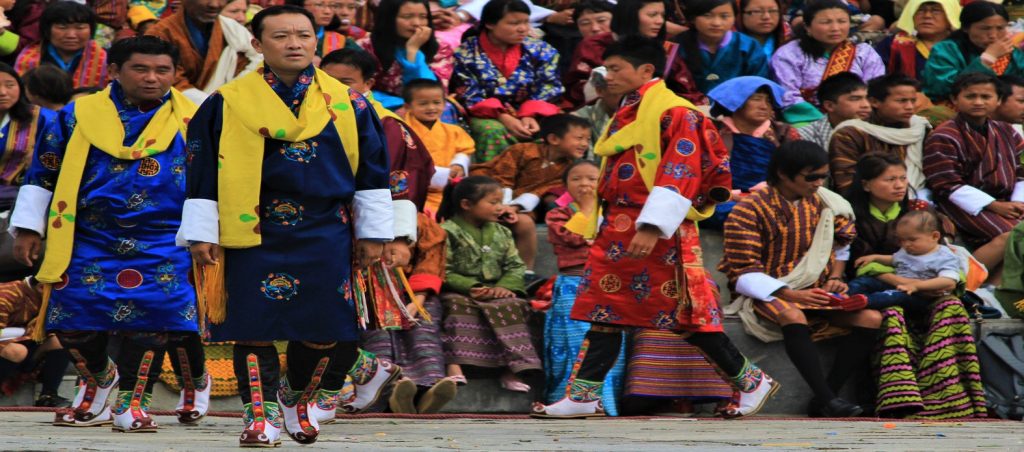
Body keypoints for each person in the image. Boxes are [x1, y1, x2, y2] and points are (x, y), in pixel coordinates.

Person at [532, 36, 779, 420]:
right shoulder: (630, 109)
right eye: (606, 69)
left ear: (646, 71)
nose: (607, 76)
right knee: (606, 309)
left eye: (616, 69)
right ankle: (583, 396)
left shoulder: (676, 112)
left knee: (683, 314)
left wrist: (652, 226)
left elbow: (681, 169)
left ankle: (751, 381)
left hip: (655, 229)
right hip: (619, 225)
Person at [182, 6, 393, 446]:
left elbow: (373, 171)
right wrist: (202, 231)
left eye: (303, 35)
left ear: (317, 42)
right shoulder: (225, 102)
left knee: (324, 330)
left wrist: (374, 234)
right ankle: (258, 417)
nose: (294, 43)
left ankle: (298, 399)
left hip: (326, 228)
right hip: (251, 228)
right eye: (281, 36)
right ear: (257, 45)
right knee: (251, 327)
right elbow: (200, 170)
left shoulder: (350, 102)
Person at [9, 36, 210, 432]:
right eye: (141, 69)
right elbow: (44, 170)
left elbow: (209, 180)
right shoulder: (75, 115)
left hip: (166, 238)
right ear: (115, 71)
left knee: (152, 325)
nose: (152, 78)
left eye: (162, 70)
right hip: (88, 235)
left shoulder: (195, 118)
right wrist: (30, 227)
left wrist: (206, 234)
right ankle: (101, 379)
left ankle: (132, 403)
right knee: (72, 322)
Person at [318, 48, 456, 416]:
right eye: (325, 80)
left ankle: (337, 391)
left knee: (349, 315)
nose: (333, 89)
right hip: (317, 228)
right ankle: (358, 380)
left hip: (364, 235)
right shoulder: (311, 115)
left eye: (345, 83)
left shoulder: (387, 126)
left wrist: (395, 236)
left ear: (368, 84)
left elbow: (400, 183)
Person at [720, 140, 882, 418]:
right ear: (784, 174)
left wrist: (836, 276)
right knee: (793, 315)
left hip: (814, 289)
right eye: (811, 177)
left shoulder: (825, 203)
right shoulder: (748, 210)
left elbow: (843, 240)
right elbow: (742, 273)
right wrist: (790, 294)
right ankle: (829, 399)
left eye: (823, 176)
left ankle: (826, 397)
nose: (819, 183)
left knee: (871, 319)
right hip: (765, 290)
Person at [842, 153, 987, 419]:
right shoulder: (853, 216)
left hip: (927, 286)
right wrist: (905, 282)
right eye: (889, 179)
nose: (899, 185)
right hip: (883, 287)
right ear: (866, 185)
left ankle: (947, 391)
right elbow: (861, 265)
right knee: (892, 312)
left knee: (952, 307)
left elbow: (941, 258)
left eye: (902, 178)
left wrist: (927, 285)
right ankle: (897, 393)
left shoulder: (920, 211)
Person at [437, 175, 542, 393]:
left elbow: (515, 265)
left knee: (513, 306)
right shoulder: (447, 231)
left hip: (497, 290)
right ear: (466, 204)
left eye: (501, 202)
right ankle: (454, 366)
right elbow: (442, 269)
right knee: (455, 306)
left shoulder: (502, 232)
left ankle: (510, 369)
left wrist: (505, 287)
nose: (499, 208)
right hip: (460, 290)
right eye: (493, 202)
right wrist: (471, 286)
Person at [543, 160, 627, 416]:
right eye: (576, 179)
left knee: (606, 346)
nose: (585, 185)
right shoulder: (558, 213)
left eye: (592, 179)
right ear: (565, 185)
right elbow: (572, 237)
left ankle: (605, 404)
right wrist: (589, 209)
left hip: (608, 285)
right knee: (575, 345)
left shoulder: (615, 213)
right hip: (573, 285)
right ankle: (567, 400)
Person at [924, 72, 1024, 285]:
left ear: (998, 100)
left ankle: (998, 289)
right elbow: (945, 183)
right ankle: (965, 282)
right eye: (971, 96)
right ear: (954, 99)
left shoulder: (1008, 131)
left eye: (986, 97)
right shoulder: (944, 135)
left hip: (1009, 202)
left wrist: (1018, 202)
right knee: (1014, 234)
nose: (978, 102)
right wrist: (994, 205)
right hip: (961, 204)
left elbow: (1021, 171)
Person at [470, 114, 590, 276]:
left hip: (521, 206)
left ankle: (525, 273)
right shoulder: (522, 150)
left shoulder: (568, 168)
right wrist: (502, 206)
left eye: (587, 140)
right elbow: (503, 177)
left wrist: (513, 207)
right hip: (491, 195)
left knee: (525, 223)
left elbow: (540, 191)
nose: (584, 144)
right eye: (579, 138)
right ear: (554, 139)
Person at [452, 0, 563, 162]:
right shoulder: (465, 52)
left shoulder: (542, 50)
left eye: (526, 22)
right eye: (514, 23)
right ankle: (495, 182)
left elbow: (549, 86)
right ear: (490, 24)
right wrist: (503, 116)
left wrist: (529, 114)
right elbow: (469, 92)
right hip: (487, 114)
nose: (523, 28)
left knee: (558, 130)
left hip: (535, 112)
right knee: (491, 131)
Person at [561, 0, 703, 110]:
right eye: (652, 15)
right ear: (630, 15)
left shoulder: (663, 49)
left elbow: (686, 90)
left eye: (662, 15)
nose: (660, 21)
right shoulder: (594, 45)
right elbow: (576, 89)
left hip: (658, 113)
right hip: (604, 114)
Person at [705, 76, 801, 227]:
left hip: (769, 199)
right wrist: (734, 196)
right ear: (736, 101)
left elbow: (797, 174)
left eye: (769, 101)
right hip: (723, 200)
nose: (764, 106)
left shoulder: (783, 133)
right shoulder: (712, 131)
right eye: (756, 99)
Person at [770, 0, 884, 119]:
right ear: (807, 27)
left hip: (859, 118)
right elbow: (788, 96)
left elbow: (875, 90)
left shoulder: (864, 52)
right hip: (808, 121)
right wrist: (826, 122)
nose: (835, 28)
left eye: (842, 21)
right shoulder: (789, 54)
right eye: (826, 22)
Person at [829, 75, 931, 199]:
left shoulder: (920, 128)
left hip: (919, 198)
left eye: (913, 100)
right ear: (874, 102)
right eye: (902, 101)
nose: (910, 107)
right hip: (865, 207)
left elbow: (935, 173)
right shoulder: (851, 134)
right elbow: (846, 184)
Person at [145, 0, 263, 103]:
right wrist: (213, 106)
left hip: (230, 106)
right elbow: (169, 80)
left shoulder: (233, 30)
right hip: (179, 113)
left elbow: (252, 63)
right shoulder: (160, 33)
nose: (214, 4)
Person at [850, 209, 959, 310]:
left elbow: (948, 281)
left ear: (934, 236)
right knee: (865, 281)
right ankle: (845, 296)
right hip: (898, 285)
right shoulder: (907, 250)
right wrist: (875, 257)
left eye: (912, 239)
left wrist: (916, 286)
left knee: (892, 295)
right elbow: (894, 260)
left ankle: (863, 302)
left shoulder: (944, 256)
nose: (906, 244)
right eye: (902, 240)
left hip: (920, 296)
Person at [357, 0, 455, 110]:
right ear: (389, 18)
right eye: (407, 17)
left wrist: (413, 51)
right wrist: (399, 104)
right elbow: (359, 90)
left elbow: (431, 93)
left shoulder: (440, 48)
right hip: (382, 106)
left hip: (425, 108)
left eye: (423, 17)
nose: (417, 23)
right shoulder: (365, 47)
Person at [922, 1, 1024, 104]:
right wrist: (987, 58)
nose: (993, 35)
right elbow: (940, 87)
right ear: (966, 28)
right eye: (985, 28)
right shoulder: (946, 50)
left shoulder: (1014, 54)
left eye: (1000, 28)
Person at [401, 78, 475, 215]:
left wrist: (458, 165)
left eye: (437, 103)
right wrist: (441, 175)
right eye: (423, 104)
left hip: (450, 188)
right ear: (407, 106)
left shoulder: (453, 130)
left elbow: (464, 150)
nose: (431, 108)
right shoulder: (401, 131)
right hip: (415, 191)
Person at [0, 277, 69, 408]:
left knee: (60, 341)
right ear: (42, 287)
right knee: (17, 351)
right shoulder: (6, 294)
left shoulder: (46, 300)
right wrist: (23, 334)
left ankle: (48, 395)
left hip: (24, 340)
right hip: (9, 344)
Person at [674, 0, 769, 94]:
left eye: (724, 16)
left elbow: (758, 85)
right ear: (693, 18)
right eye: (707, 15)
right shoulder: (677, 45)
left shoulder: (748, 46)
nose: (716, 23)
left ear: (734, 18)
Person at [13, 2, 107, 89]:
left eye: (80, 28)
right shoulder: (28, 59)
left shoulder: (106, 59)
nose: (71, 35)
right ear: (47, 29)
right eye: (62, 27)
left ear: (91, 30)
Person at [873, 0, 959, 81]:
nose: (927, 16)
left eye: (936, 11)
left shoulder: (962, 46)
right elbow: (878, 81)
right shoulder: (892, 45)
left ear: (950, 16)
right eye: (920, 10)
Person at [799, 73, 871, 150]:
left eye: (868, 98)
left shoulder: (879, 127)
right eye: (855, 99)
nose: (866, 105)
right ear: (829, 106)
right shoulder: (805, 137)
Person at [286, 0, 352, 58]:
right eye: (319, 5)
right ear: (299, 5)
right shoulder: (284, 37)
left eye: (332, 5)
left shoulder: (341, 41)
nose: (327, 11)